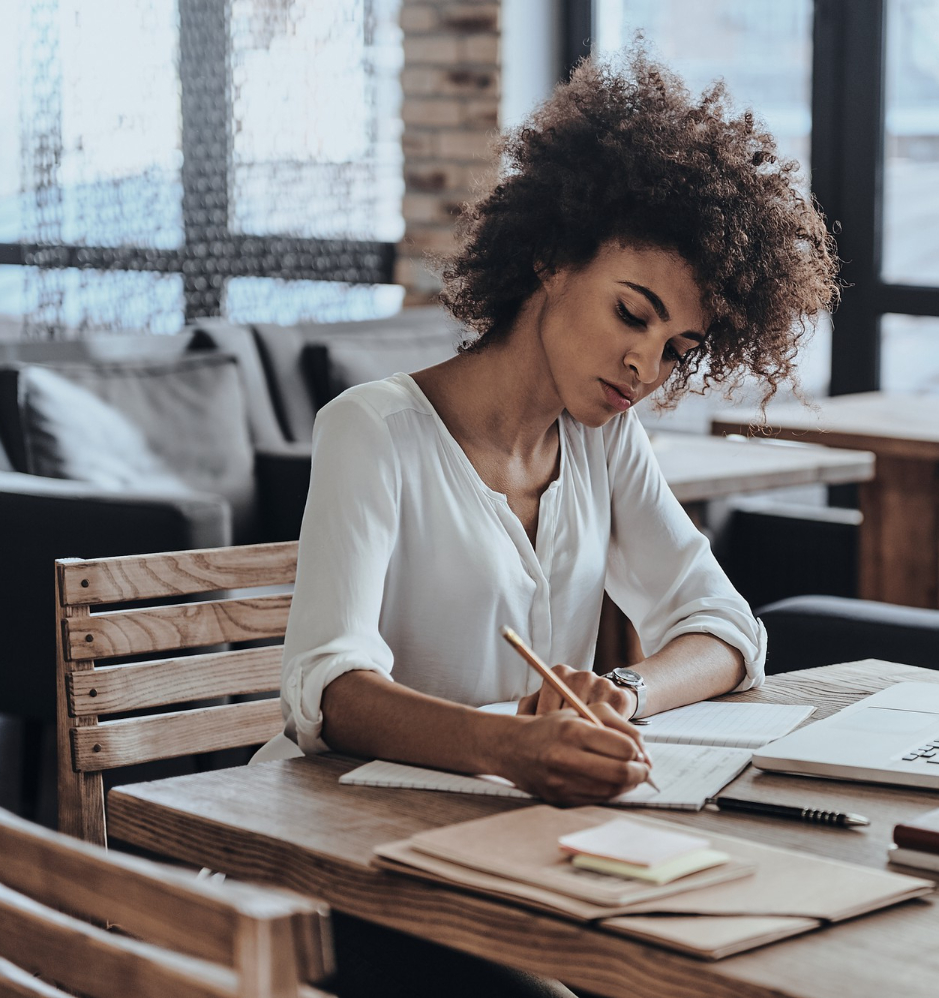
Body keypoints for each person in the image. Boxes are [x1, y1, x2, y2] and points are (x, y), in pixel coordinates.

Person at [281, 47, 835, 813]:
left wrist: (620, 693)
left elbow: (728, 631)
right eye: (631, 314)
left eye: (678, 350)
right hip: (347, 823)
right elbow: (329, 690)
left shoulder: (603, 438)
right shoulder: (372, 430)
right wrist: (511, 748)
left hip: (516, 826)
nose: (645, 367)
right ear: (551, 259)